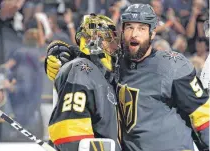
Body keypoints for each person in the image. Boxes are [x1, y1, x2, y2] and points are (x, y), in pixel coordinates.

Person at [44, 4, 209, 151]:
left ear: (152, 34)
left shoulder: (173, 66)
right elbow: (88, 59)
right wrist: (61, 54)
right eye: (129, 27)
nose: (134, 34)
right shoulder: (115, 63)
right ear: (122, 31)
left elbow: (204, 116)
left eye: (141, 28)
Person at [45, 14, 121, 151]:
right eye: (107, 37)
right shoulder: (81, 70)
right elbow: (69, 130)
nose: (113, 44)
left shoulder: (108, 76)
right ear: (90, 39)